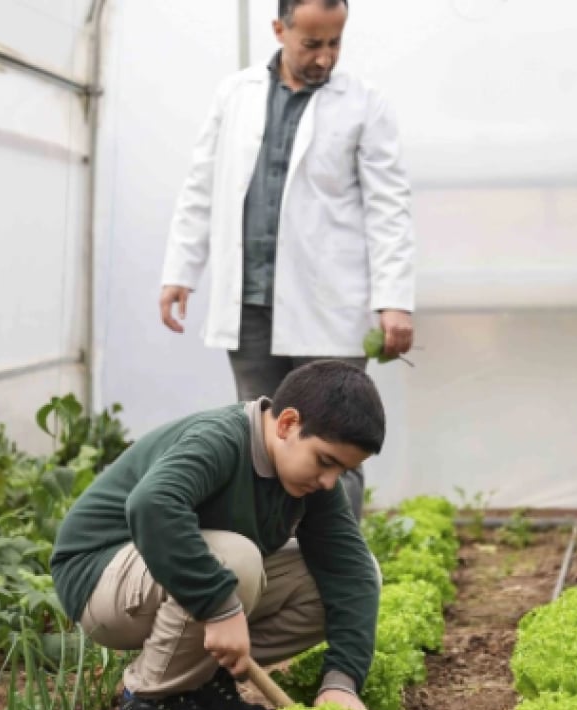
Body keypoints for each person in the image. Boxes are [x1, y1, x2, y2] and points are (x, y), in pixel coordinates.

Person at [157, 0, 415, 520]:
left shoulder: (364, 103)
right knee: (259, 441)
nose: (325, 57)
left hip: (328, 302)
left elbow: (389, 204)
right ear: (279, 29)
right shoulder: (235, 94)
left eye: (335, 43)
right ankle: (269, 562)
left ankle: (336, 570)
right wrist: (180, 272)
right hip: (249, 302)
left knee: (337, 441)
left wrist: (394, 300)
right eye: (312, 44)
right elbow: (202, 185)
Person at [51, 361, 383, 710]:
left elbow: (351, 571)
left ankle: (201, 684)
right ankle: (150, 700)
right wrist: (219, 607)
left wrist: (341, 682)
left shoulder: (311, 480)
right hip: (100, 578)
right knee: (236, 560)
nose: (330, 482)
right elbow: (152, 505)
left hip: (162, 580)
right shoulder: (222, 438)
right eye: (325, 461)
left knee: (348, 576)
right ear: (287, 424)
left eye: (342, 471)